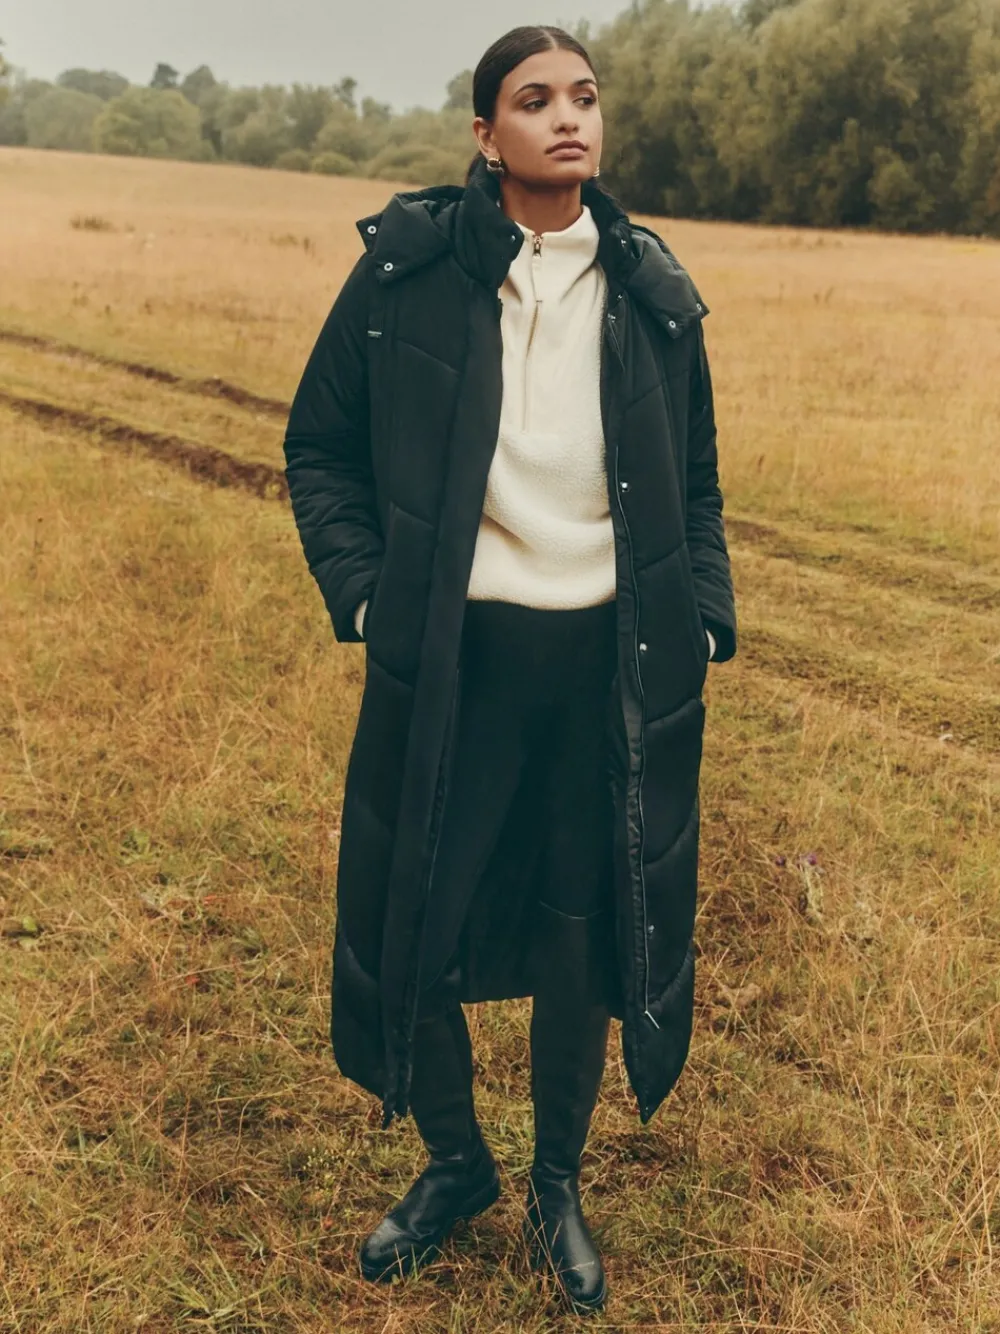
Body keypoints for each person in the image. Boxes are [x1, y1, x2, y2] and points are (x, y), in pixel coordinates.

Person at [283, 23, 737, 1316]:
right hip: (458, 661)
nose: (568, 118)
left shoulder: (651, 289)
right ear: (485, 134)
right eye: (535, 101)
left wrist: (704, 610)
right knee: (413, 922)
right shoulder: (408, 275)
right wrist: (366, 594)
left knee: (581, 933)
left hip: (603, 670)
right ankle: (455, 1162)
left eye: (585, 96)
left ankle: (554, 1185)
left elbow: (697, 483)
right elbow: (319, 446)